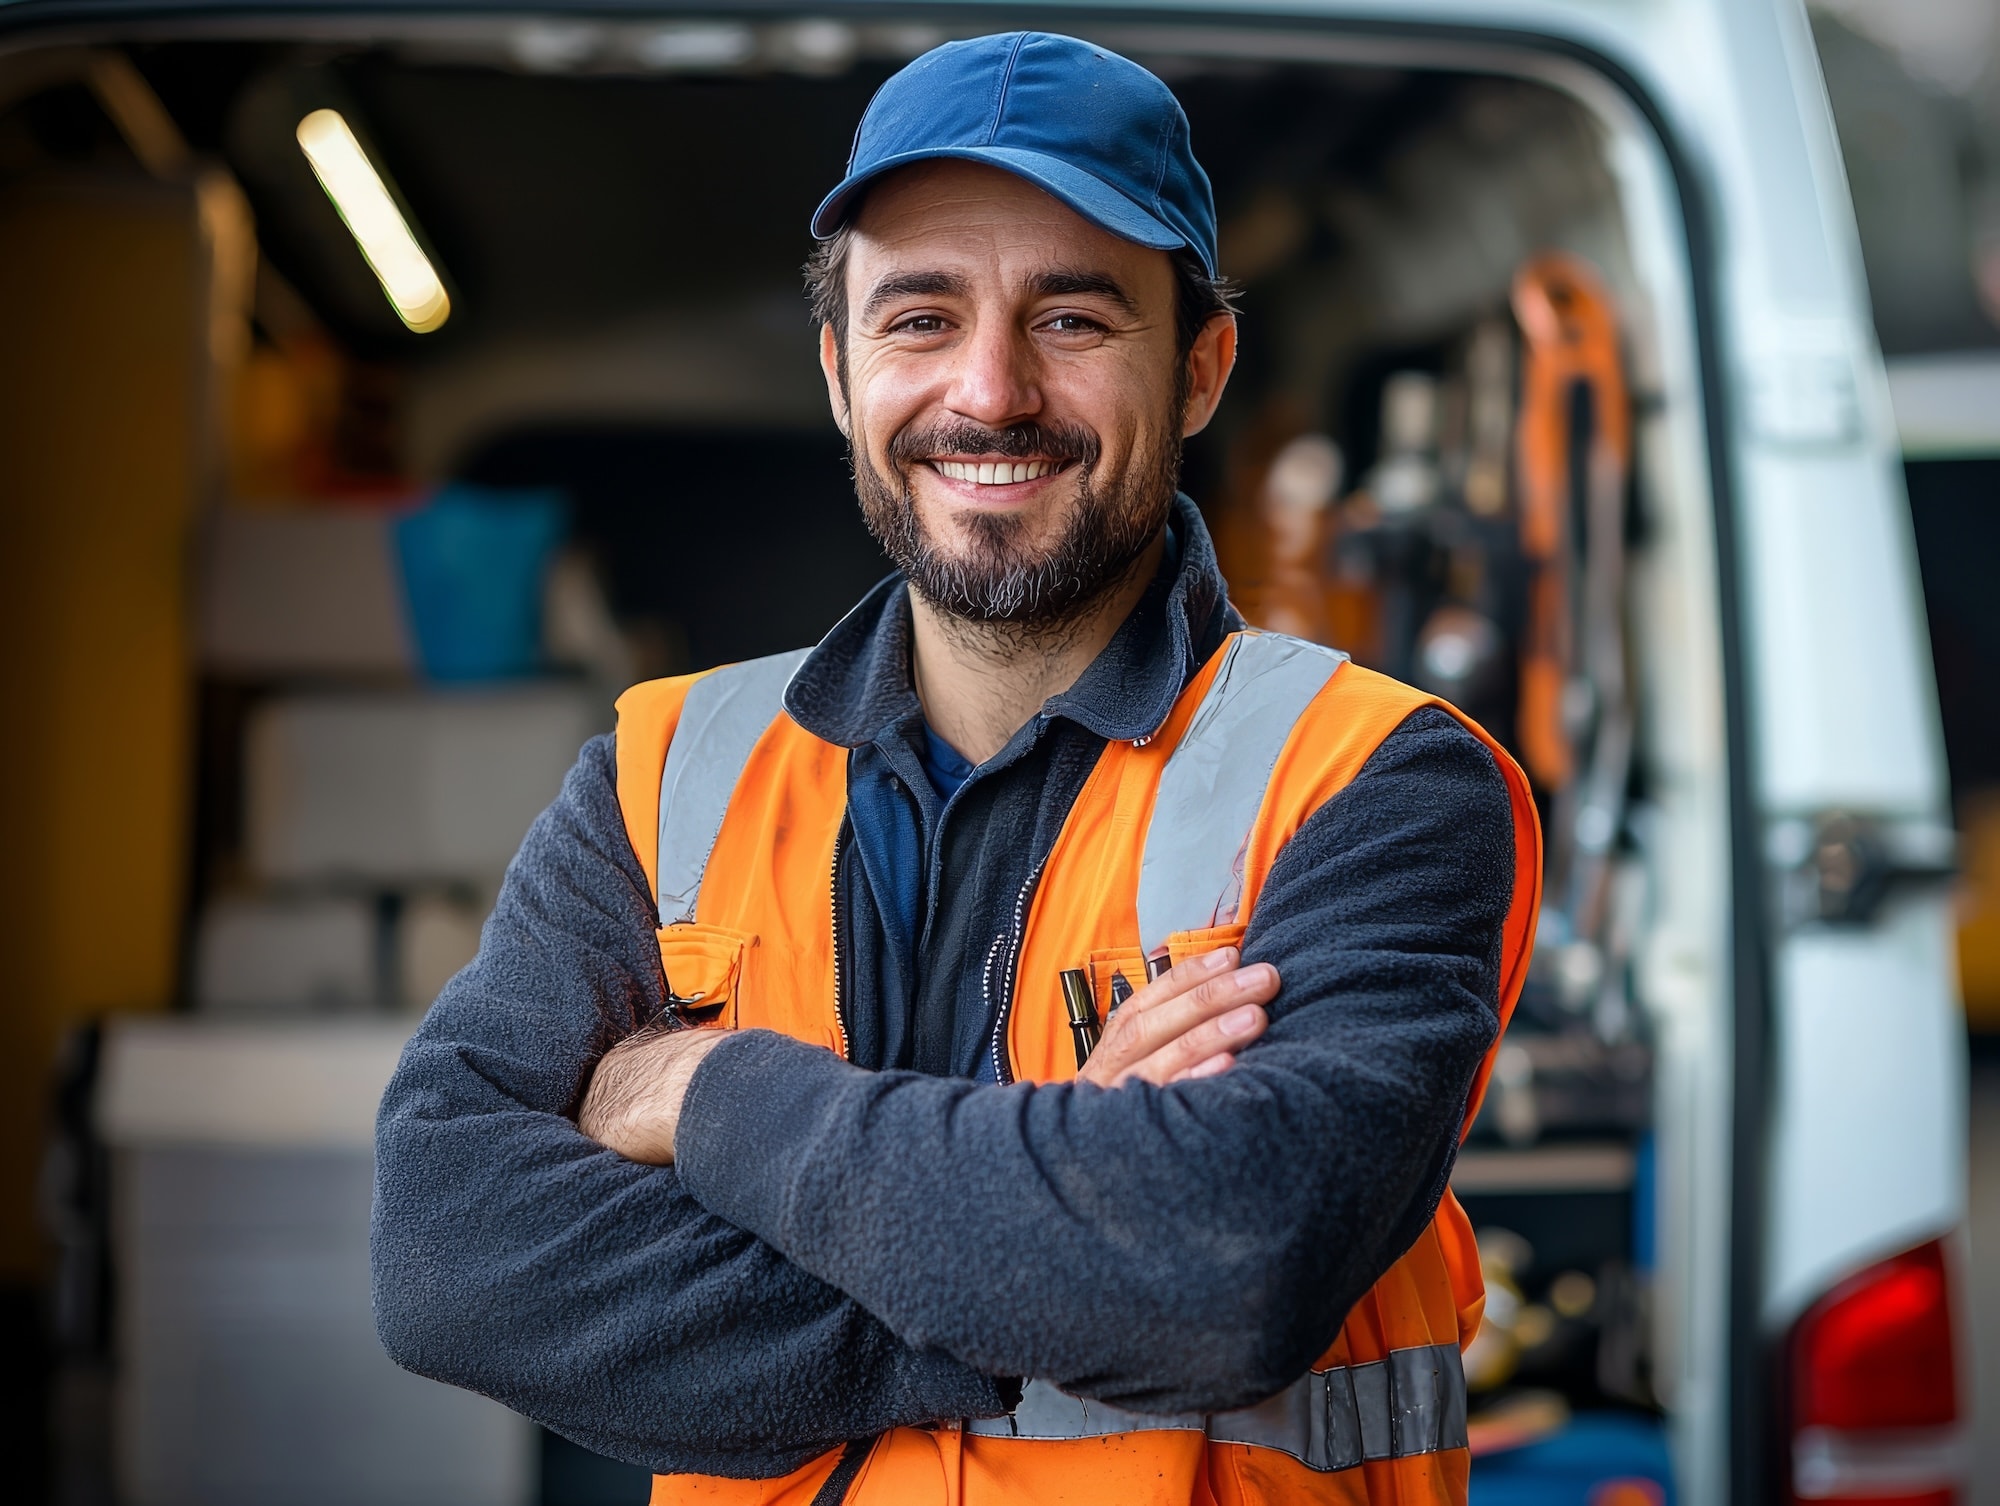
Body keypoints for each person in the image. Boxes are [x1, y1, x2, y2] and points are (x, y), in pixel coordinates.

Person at [372, 31, 1541, 1506]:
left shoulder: (1374, 785)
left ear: (1199, 368)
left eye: (1071, 319)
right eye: (919, 318)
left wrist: (712, 1089)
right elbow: (442, 1257)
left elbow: (1221, 1266)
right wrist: (1052, 1224)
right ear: (839, 368)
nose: (988, 392)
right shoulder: (663, 779)